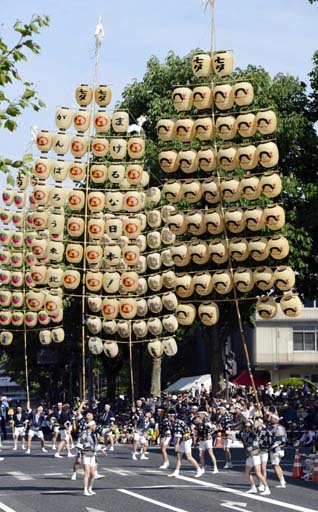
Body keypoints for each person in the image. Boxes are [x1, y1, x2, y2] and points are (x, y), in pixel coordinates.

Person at [238, 419, 270, 495]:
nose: (247, 427)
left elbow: (255, 432)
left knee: (258, 473)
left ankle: (267, 488)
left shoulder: (253, 432)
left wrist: (255, 426)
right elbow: (239, 437)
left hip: (255, 455)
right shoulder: (243, 433)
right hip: (249, 455)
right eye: (246, 425)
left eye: (248, 425)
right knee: (246, 472)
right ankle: (253, 487)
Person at [167, 409, 203, 478]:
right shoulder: (178, 421)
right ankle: (176, 471)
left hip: (186, 439)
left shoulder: (176, 422)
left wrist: (177, 444)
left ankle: (199, 469)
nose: (168, 417)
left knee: (189, 457)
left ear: (172, 416)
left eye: (168, 416)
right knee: (179, 455)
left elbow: (178, 434)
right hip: (184, 439)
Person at [77, 420, 99, 496]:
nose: (95, 427)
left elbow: (96, 445)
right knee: (87, 473)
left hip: (93, 455)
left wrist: (101, 450)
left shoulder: (94, 434)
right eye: (94, 425)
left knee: (93, 474)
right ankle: (85, 490)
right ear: (91, 426)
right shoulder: (84, 433)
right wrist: (79, 456)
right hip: (86, 454)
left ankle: (90, 488)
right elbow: (79, 445)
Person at [195, 410, 218, 474]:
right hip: (201, 439)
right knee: (200, 454)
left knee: (210, 453)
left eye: (200, 414)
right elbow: (197, 432)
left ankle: (215, 467)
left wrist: (202, 423)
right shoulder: (197, 422)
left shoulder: (207, 421)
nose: (198, 415)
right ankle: (202, 468)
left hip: (208, 439)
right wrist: (196, 441)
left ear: (203, 415)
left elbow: (211, 427)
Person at [268, 414, 287, 488]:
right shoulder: (277, 427)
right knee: (277, 464)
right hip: (278, 448)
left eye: (272, 418)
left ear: (276, 419)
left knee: (276, 465)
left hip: (276, 448)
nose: (270, 419)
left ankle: (282, 482)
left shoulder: (277, 427)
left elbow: (280, 440)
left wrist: (274, 449)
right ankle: (282, 480)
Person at [254, 417, 272, 491]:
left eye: (257, 421)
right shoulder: (254, 431)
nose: (256, 423)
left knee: (263, 468)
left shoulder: (266, 431)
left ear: (261, 423)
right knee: (257, 468)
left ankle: (263, 484)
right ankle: (260, 483)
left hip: (264, 451)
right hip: (256, 451)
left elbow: (270, 441)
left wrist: (269, 449)